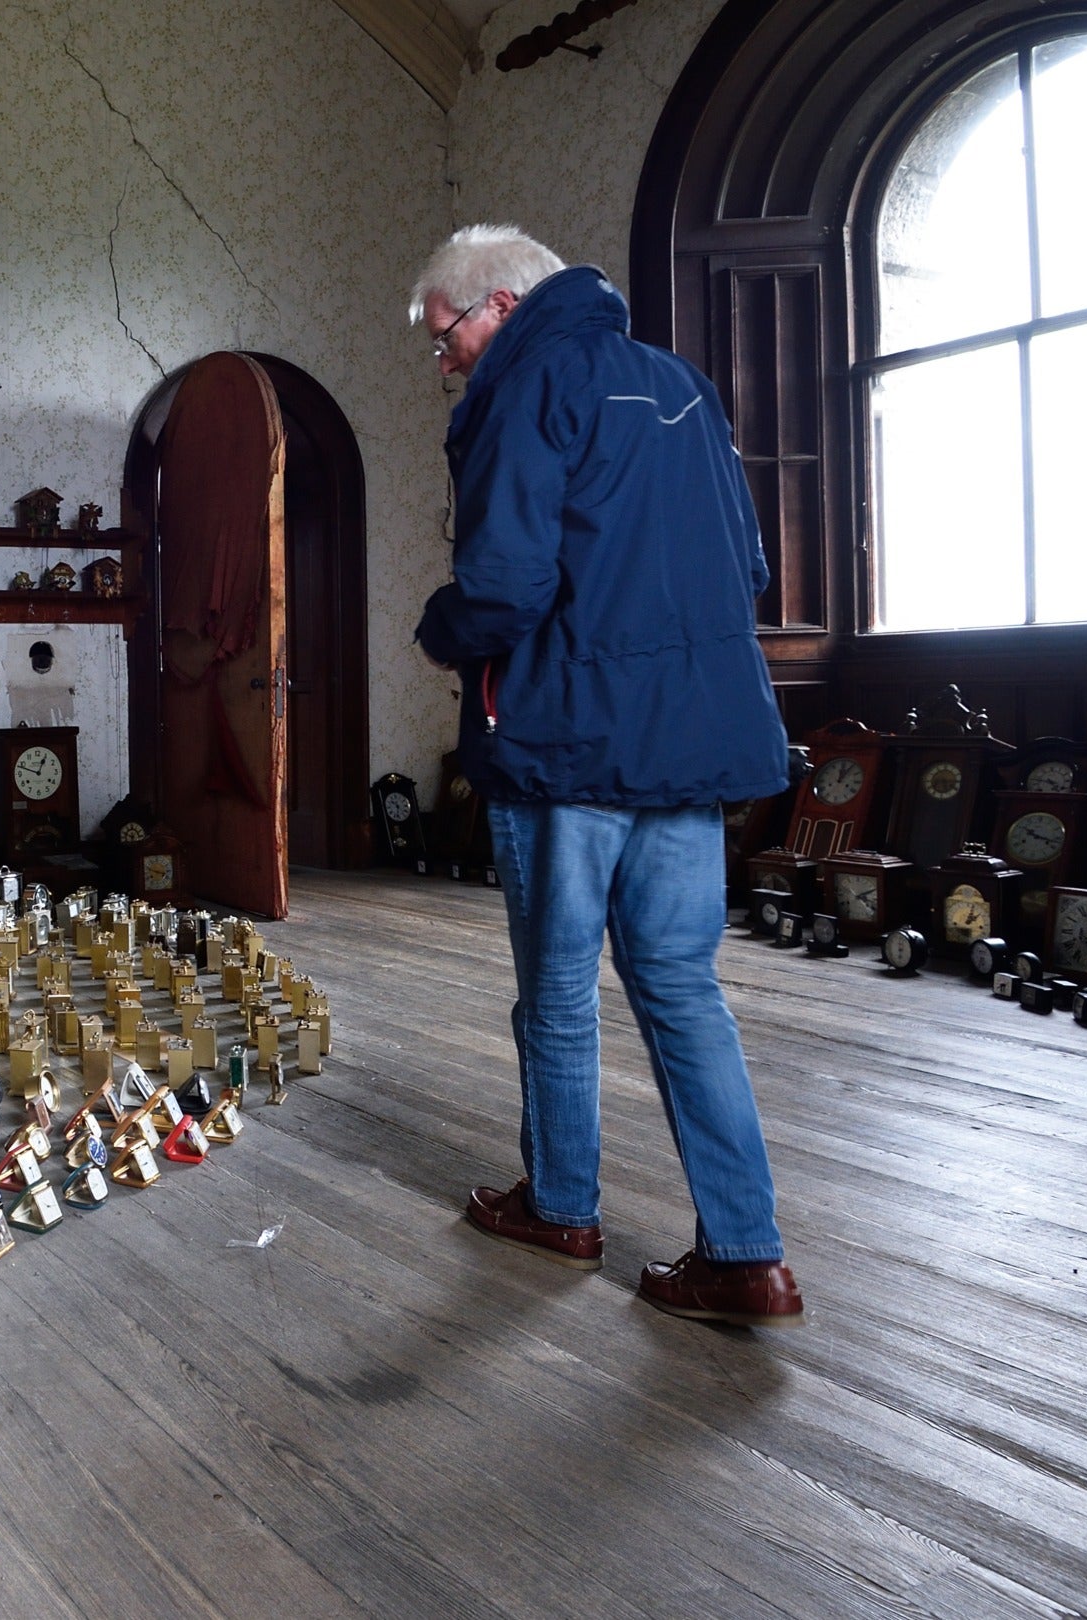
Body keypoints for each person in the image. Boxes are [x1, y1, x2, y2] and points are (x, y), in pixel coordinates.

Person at [408, 224, 804, 1327]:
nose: (444, 364)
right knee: (683, 988)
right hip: (688, 746)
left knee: (560, 994)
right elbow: (752, 566)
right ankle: (747, 1253)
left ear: (498, 304)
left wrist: (441, 631)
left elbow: (505, 584)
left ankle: (564, 1206)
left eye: (444, 338)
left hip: (568, 742)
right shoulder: (680, 384)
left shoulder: (527, 385)